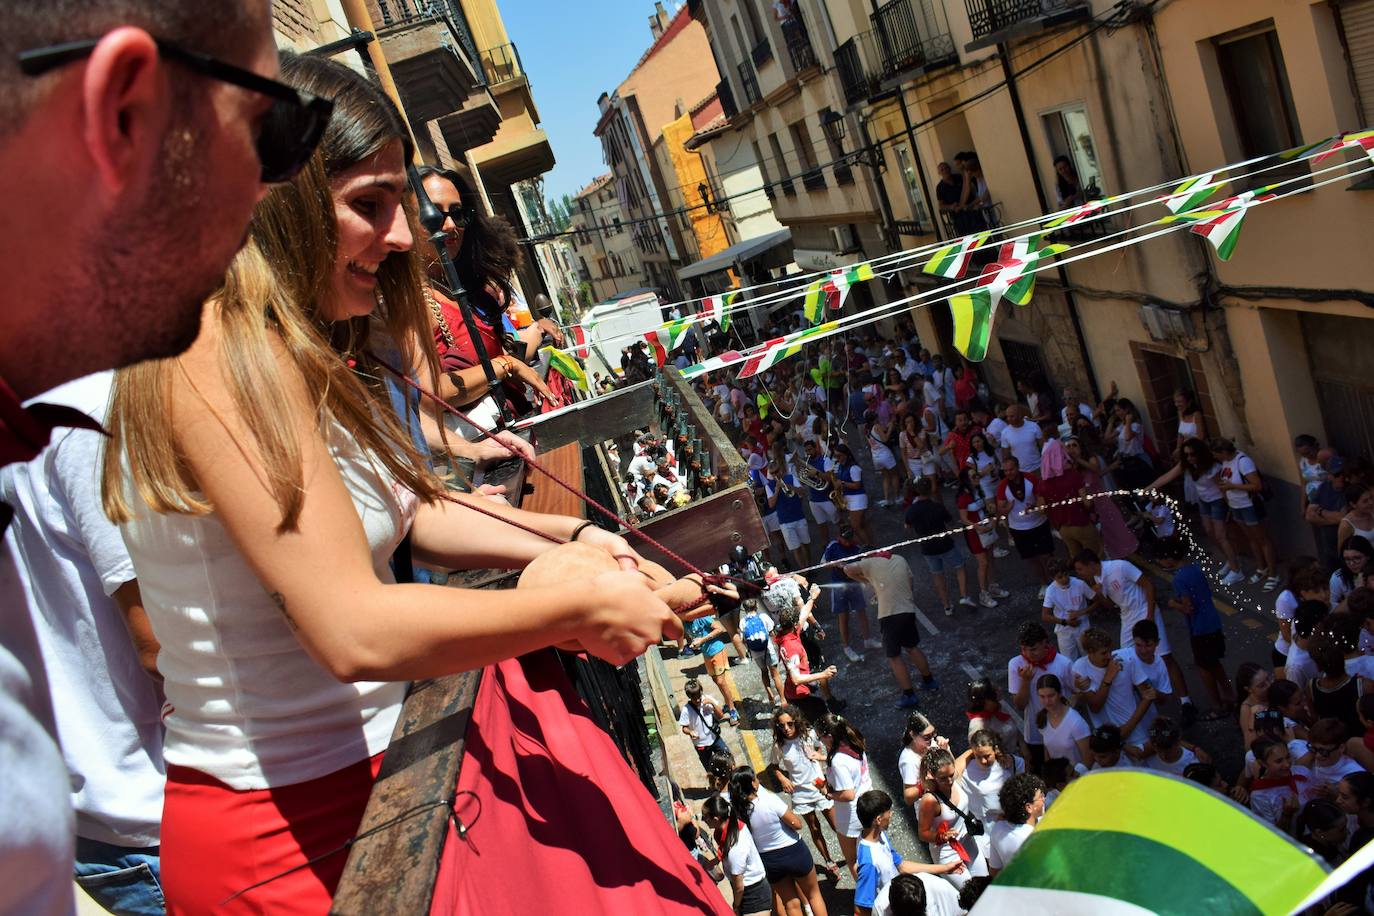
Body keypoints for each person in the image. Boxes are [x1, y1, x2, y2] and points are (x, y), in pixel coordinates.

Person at [103, 57, 686, 911]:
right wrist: (568, 609)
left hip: (381, 777)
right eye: (369, 204)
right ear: (280, 204)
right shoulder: (212, 353)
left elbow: (408, 513)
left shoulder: (293, 339)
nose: (408, 235)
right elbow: (352, 627)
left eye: (401, 201)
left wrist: (573, 539)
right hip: (290, 832)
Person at [0, 3, 290, 910]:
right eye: (270, 131)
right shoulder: (95, 400)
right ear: (126, 118)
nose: (270, 193)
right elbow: (156, 632)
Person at [1074, 549, 1193, 723]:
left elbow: (1148, 586)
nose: (1079, 573)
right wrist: (1099, 593)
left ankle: (1186, 702)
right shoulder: (1097, 580)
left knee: (1165, 657)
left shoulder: (1121, 566)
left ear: (1091, 564)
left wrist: (1150, 616)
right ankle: (1142, 700)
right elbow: (1108, 605)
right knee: (1126, 659)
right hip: (1127, 617)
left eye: (1080, 569)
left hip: (1145, 611)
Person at [727, 768, 828, 916]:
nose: (758, 780)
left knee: (791, 904)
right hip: (794, 852)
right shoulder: (770, 800)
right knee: (814, 895)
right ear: (753, 784)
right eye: (756, 778)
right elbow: (797, 824)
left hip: (769, 860)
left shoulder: (737, 811)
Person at [845, 552, 940, 706]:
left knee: (894, 657)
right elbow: (910, 583)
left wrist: (866, 579)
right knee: (912, 647)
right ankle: (929, 681)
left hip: (889, 615)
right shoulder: (900, 558)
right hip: (908, 610)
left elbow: (848, 569)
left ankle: (909, 695)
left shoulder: (869, 561)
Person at [1157, 539, 1235, 719]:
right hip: (1212, 622)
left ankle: (1217, 705)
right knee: (1215, 663)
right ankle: (1229, 695)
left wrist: (1172, 604)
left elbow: (1188, 607)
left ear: (1168, 559)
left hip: (1200, 628)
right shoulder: (1195, 569)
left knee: (1204, 667)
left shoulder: (1179, 579)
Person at [854, 790, 963, 916]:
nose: (891, 814)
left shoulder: (879, 835)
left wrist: (945, 868)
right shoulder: (869, 862)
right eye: (888, 811)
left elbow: (901, 866)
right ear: (878, 820)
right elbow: (860, 910)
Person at [767, 706, 842, 881]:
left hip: (820, 787)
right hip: (800, 793)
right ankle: (829, 861)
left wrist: (818, 756)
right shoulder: (779, 745)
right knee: (814, 828)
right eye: (781, 725)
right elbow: (774, 765)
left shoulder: (809, 735)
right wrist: (783, 779)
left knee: (837, 825)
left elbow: (820, 747)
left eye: (789, 724)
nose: (786, 728)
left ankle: (852, 852)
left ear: (796, 722)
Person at [1212, 438, 1279, 590]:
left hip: (1249, 505)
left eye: (1216, 454)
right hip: (1236, 505)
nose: (1215, 457)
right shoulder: (1226, 462)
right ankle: (1262, 568)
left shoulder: (1243, 461)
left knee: (1262, 539)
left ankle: (1273, 574)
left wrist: (1232, 486)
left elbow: (1257, 485)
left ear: (1223, 452)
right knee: (1251, 539)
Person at [905, 477, 977, 616]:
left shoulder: (912, 510)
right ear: (930, 489)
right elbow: (950, 522)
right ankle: (963, 596)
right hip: (946, 544)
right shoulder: (937, 506)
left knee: (938, 576)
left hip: (927, 549)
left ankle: (947, 606)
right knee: (960, 566)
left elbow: (907, 526)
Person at [1008, 621, 1075, 772]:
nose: (1028, 654)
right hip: (1035, 734)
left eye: (1033, 649)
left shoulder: (1064, 664)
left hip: (1061, 732)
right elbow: (1019, 705)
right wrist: (1026, 681)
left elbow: (1076, 694)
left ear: (1045, 643)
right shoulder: (1016, 664)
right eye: (1023, 649)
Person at [917, 747, 987, 890]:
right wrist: (942, 836)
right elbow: (923, 833)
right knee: (971, 893)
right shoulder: (930, 800)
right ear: (932, 776)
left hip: (968, 841)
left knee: (984, 884)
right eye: (943, 778)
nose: (949, 781)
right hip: (946, 852)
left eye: (951, 775)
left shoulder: (953, 773)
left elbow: (971, 751)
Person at [1071, 628, 1157, 744]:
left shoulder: (1127, 658)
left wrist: (1128, 728)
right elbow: (1095, 707)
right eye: (1103, 653)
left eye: (1109, 651)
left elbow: (1148, 695)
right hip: (1105, 737)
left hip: (1135, 731)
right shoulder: (1080, 667)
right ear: (1090, 652)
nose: (1109, 656)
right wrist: (1108, 677)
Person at [815, 714, 873, 878]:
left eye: (820, 738)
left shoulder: (838, 760)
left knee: (853, 861)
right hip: (869, 805)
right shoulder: (855, 744)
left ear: (830, 736)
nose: (820, 742)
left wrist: (828, 793)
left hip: (852, 815)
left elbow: (848, 794)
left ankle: (866, 900)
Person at [701, 795, 772, 916]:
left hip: (753, 896)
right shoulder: (732, 826)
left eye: (704, 817)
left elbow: (739, 886)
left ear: (716, 819)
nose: (703, 820)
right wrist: (718, 859)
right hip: (748, 890)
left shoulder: (735, 847)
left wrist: (735, 906)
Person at [997, 456, 1054, 591]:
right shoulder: (1002, 486)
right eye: (1005, 471)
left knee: (1046, 556)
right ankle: (1044, 583)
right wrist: (1007, 509)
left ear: (1017, 467)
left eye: (1011, 470)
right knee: (1031, 559)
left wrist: (1035, 505)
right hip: (1018, 528)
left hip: (1039, 524)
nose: (1008, 473)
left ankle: (1055, 579)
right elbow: (1001, 509)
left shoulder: (1031, 479)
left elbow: (1041, 498)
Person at [954, 469, 1009, 609]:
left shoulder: (979, 490)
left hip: (987, 529)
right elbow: (963, 518)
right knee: (983, 562)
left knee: (990, 559)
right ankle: (983, 594)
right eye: (973, 476)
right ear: (967, 479)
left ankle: (992, 587)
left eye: (977, 475)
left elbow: (985, 508)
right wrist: (977, 527)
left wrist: (990, 514)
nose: (977, 477)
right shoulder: (963, 496)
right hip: (975, 534)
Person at [774, 605, 838, 724]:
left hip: (797, 692)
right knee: (823, 721)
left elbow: (804, 613)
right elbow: (796, 679)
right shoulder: (791, 646)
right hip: (798, 696)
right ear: (794, 625)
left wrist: (812, 597)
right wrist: (823, 674)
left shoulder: (790, 633)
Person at [684, 611, 742, 725]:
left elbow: (719, 629)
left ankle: (732, 710)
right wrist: (694, 644)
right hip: (706, 654)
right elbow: (693, 636)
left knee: (721, 682)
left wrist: (702, 640)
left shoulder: (702, 617)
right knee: (716, 681)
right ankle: (728, 702)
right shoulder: (685, 623)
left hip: (717, 650)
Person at [956, 730, 1025, 823]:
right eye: (978, 756)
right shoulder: (967, 770)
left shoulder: (1013, 763)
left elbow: (1023, 790)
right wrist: (969, 753)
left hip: (1015, 818)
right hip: (988, 827)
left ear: (995, 750)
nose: (983, 761)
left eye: (987, 756)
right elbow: (953, 772)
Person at [987, 773, 1046, 876]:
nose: (1044, 799)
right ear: (1029, 807)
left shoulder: (998, 829)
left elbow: (994, 872)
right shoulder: (1037, 838)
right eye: (1041, 796)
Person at [1248, 737, 1306, 832]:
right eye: (1279, 761)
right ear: (1262, 763)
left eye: (1288, 757)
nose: (1287, 764)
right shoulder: (1260, 795)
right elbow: (1271, 835)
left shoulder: (1302, 772)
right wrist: (1286, 814)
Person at [1041, 559, 1094, 661]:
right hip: (1064, 631)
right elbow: (1045, 616)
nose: (1065, 579)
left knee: (1088, 656)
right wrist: (1066, 622)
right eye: (1060, 577)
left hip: (1083, 626)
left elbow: (1097, 601)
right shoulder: (1051, 591)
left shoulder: (1080, 584)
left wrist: (1081, 612)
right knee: (1068, 660)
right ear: (1053, 578)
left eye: (1066, 574)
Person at [1035, 674, 1091, 767]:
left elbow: (1088, 759)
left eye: (1051, 696)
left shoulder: (1076, 722)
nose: (1047, 701)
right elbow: (1048, 751)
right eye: (1042, 696)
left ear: (1060, 693)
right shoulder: (1042, 719)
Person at [765, 460, 812, 569]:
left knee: (806, 544)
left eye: (777, 471)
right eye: (773, 473)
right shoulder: (769, 486)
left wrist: (791, 487)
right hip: (785, 521)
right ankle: (803, 568)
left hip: (798, 516)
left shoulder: (790, 478)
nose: (776, 474)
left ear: (780, 469)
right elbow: (771, 504)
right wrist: (777, 490)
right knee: (796, 547)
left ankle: (810, 565)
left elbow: (803, 492)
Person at [741, 600, 787, 707]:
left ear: (744, 609)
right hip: (768, 649)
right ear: (756, 606)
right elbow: (771, 633)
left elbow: (743, 640)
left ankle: (770, 695)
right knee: (775, 674)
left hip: (755, 652)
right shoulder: (763, 617)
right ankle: (783, 699)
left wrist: (749, 650)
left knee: (764, 671)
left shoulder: (743, 621)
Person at [681, 677, 731, 772]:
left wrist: (712, 704)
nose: (698, 700)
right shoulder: (686, 710)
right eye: (694, 698)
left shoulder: (707, 700)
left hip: (714, 738)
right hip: (701, 744)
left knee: (727, 758)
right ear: (689, 696)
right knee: (709, 768)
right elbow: (684, 728)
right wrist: (690, 732)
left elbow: (720, 715)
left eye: (699, 697)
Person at [898, 712, 946, 809]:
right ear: (912, 735)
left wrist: (945, 750)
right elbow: (908, 797)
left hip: (943, 796)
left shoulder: (931, 743)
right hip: (929, 807)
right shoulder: (909, 760)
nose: (932, 738)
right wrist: (927, 783)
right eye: (927, 736)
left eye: (933, 733)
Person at [833, 442, 874, 546]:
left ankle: (868, 548)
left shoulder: (853, 468)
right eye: (835, 456)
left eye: (839, 456)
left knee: (855, 527)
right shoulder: (840, 466)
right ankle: (871, 545)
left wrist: (842, 483)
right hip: (850, 498)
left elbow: (857, 485)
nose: (837, 458)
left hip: (858, 498)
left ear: (845, 455)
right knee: (863, 524)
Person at [965, 678, 1021, 752]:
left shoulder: (999, 707)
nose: (1000, 689)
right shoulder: (977, 726)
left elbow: (1015, 732)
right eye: (995, 690)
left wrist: (1024, 749)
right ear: (986, 699)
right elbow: (980, 754)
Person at [997, 405, 1043, 474]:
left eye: (1012, 416)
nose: (1008, 419)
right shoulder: (1005, 433)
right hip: (1020, 472)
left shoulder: (1033, 426)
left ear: (1020, 415)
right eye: (1007, 416)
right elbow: (1006, 456)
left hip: (1038, 467)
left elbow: (1043, 446)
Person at [1333, 536, 1373, 608]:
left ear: (1368, 556)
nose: (1351, 563)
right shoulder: (1337, 578)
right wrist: (1357, 592)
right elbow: (1334, 610)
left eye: (1357, 558)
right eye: (1347, 559)